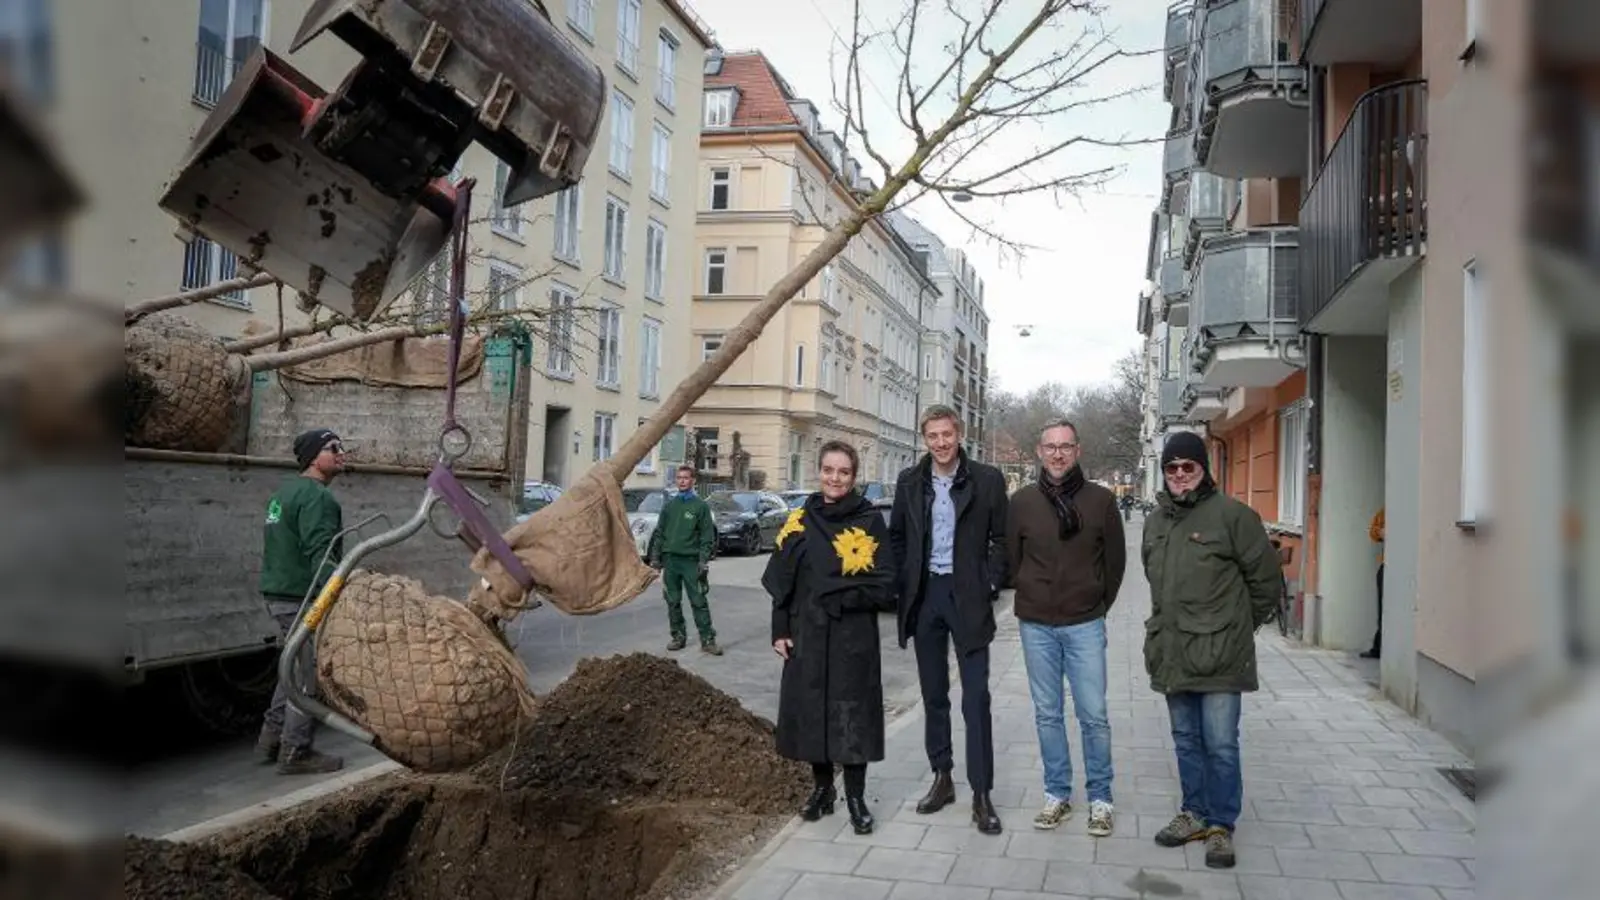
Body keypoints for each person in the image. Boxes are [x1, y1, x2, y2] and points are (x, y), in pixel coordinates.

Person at [1141, 431, 1281, 869]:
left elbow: (1266, 583)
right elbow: (1153, 576)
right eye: (1172, 467)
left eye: (1189, 466)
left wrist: (1236, 628)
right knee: (1186, 739)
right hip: (1173, 651)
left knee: (1220, 744)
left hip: (1221, 655)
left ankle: (1221, 825)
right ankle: (1194, 813)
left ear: (1204, 469)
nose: (1180, 474)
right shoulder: (1156, 521)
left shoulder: (1234, 517)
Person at [764, 441, 896, 835]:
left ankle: (855, 797)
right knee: (812, 713)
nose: (834, 478)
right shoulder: (800, 519)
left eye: (843, 472)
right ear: (818, 471)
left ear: (854, 477)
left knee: (851, 716)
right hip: (806, 630)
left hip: (852, 635)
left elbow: (886, 584)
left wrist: (842, 596)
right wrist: (780, 628)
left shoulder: (868, 521)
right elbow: (782, 579)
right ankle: (823, 789)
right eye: (828, 470)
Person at [890, 404, 1010, 835]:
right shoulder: (910, 481)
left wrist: (990, 582)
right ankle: (942, 777)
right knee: (934, 694)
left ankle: (981, 793)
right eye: (932, 436)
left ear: (959, 435)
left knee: (975, 698)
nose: (940, 443)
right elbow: (898, 537)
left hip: (968, 597)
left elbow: (1002, 539)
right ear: (924, 439)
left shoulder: (987, 479)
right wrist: (906, 582)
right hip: (927, 597)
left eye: (947, 434)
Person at [1006, 419, 1126, 836]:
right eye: (1051, 447)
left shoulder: (1101, 501)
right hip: (1036, 625)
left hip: (1084, 623)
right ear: (1040, 452)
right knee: (1047, 714)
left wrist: (1095, 604)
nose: (1058, 454)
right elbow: (1011, 560)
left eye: (1066, 446)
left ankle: (1100, 799)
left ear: (1078, 451)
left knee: (1094, 715)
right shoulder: (1022, 502)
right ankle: (1056, 794)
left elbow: (1115, 564)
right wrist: (1032, 591)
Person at [255, 427, 348, 775]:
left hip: (278, 594)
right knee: (308, 677)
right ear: (313, 457)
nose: (341, 453)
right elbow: (322, 555)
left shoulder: (283, 493)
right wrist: (343, 592)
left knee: (292, 669)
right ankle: (296, 750)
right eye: (333, 448)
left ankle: (270, 739)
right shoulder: (318, 498)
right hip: (301, 597)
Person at [647, 465, 722, 655]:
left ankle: (708, 640)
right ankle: (678, 636)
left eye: (686, 478)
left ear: (693, 481)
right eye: (679, 478)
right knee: (672, 601)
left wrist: (703, 560)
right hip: (671, 561)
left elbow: (707, 536)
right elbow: (660, 534)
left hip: (691, 562)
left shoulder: (700, 507)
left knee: (698, 600)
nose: (682, 481)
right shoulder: (669, 507)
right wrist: (656, 559)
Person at [1360, 506, 1385, 659]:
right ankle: (1379, 647)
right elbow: (1373, 530)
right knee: (1382, 609)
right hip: (1386, 565)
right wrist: (1380, 532)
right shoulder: (1386, 512)